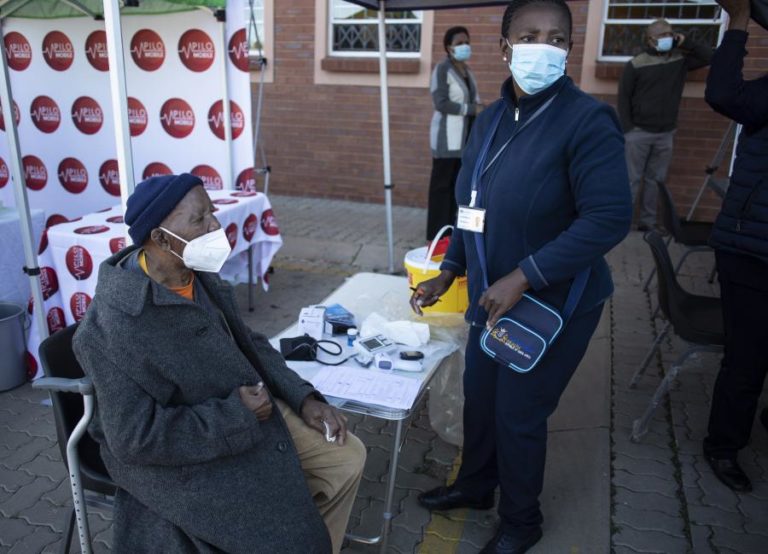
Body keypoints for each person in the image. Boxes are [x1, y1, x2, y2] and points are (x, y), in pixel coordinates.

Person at [410, 1, 632, 552]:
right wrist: (451, 268)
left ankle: (520, 522)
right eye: (529, 35)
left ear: (569, 49)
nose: (544, 45)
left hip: (552, 302)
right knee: (480, 396)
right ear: (505, 47)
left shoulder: (586, 119)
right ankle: (477, 486)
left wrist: (524, 276)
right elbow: (471, 206)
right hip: (489, 297)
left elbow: (608, 217)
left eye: (557, 37)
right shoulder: (488, 121)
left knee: (518, 414)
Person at [72, 174, 366, 553]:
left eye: (212, 213)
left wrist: (303, 396)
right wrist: (236, 416)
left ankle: (308, 533)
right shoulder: (114, 326)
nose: (215, 226)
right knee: (288, 532)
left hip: (245, 412)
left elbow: (250, 344)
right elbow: (134, 439)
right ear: (160, 238)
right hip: (189, 450)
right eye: (199, 220)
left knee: (346, 458)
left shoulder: (193, 274)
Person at [702, 0, 768, 493]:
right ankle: (723, 446)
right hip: (750, 249)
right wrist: (740, 23)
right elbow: (723, 91)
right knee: (747, 359)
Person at [618, 19, 713, 231]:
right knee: (631, 181)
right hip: (638, 132)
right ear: (650, 39)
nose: (667, 38)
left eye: (670, 34)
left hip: (665, 133)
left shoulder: (679, 60)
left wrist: (685, 42)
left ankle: (648, 222)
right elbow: (623, 98)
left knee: (656, 181)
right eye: (661, 36)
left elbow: (710, 56)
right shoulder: (636, 63)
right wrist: (629, 129)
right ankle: (621, 223)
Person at [427, 25, 483, 241]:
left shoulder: (468, 72)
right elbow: (440, 103)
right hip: (446, 140)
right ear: (448, 47)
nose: (464, 46)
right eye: (459, 43)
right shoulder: (442, 69)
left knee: (458, 191)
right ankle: (434, 238)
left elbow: (474, 101)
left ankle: (452, 238)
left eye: (466, 42)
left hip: (465, 142)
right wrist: (471, 109)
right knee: (441, 189)